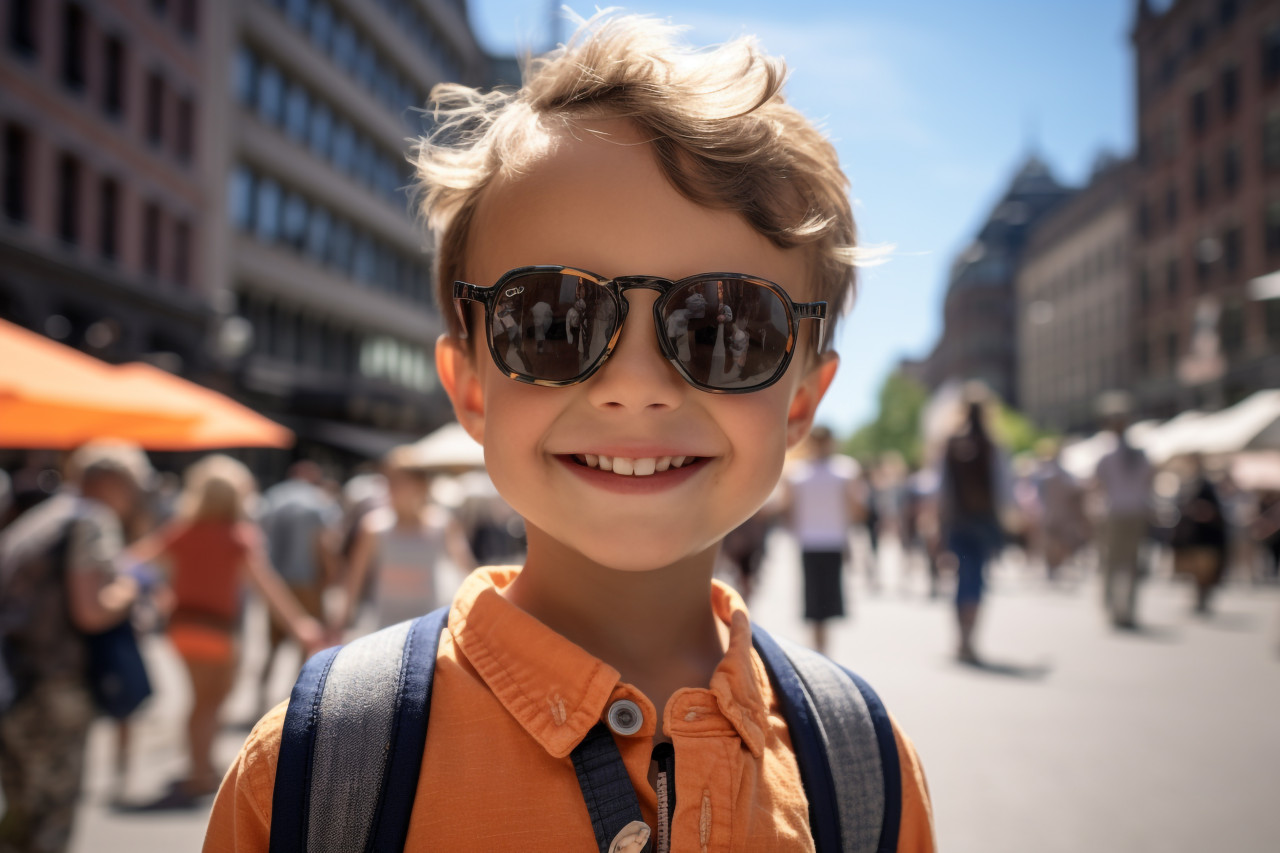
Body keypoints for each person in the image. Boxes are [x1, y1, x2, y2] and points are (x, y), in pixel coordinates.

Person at [205, 14, 934, 850]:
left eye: (726, 328)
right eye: (551, 320)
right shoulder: (319, 764)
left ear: (802, 402)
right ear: (470, 386)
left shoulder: (862, 771)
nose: (634, 386)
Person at [125, 455, 327, 806]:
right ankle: (199, 771)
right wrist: (299, 625)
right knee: (212, 701)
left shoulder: (181, 531)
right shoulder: (238, 536)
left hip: (182, 626)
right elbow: (268, 587)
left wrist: (155, 596)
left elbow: (135, 563)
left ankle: (198, 766)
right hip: (217, 630)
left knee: (200, 700)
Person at [0, 441, 151, 852]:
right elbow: (91, 611)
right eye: (133, 486)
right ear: (113, 482)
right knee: (51, 820)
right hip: (54, 688)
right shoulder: (92, 519)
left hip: (16, 682)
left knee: (20, 817)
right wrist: (130, 586)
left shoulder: (42, 515)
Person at [335, 446, 475, 633]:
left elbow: (466, 569)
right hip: (385, 628)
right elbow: (354, 580)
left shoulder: (441, 523)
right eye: (388, 481)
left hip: (428, 626)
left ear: (420, 484)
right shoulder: (374, 526)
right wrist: (339, 623)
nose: (391, 488)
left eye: (399, 481)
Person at [255, 460, 339, 712]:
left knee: (272, 645)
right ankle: (296, 698)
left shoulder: (271, 498)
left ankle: (260, 695)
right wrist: (331, 576)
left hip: (275, 583)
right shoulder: (317, 502)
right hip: (307, 582)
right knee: (309, 641)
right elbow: (323, 543)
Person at [937, 390, 1011, 664]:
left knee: (960, 579)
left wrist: (938, 521)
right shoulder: (993, 444)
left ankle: (961, 639)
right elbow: (1004, 485)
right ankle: (970, 639)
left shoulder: (950, 443)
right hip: (983, 521)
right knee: (976, 579)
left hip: (956, 521)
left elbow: (941, 488)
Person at [781, 426, 864, 654]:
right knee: (824, 602)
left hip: (814, 541)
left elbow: (788, 510)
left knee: (816, 601)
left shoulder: (799, 472)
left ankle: (819, 649)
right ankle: (821, 650)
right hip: (827, 541)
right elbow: (856, 508)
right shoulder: (844, 470)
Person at [1093, 417, 1154, 629]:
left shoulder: (1107, 455)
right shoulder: (1140, 456)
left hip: (1117, 513)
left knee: (1114, 563)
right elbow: (1149, 483)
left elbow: (1098, 485)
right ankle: (1126, 609)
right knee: (1130, 563)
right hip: (1135, 512)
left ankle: (1113, 606)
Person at [1170, 455, 1228, 615]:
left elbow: (1215, 512)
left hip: (1208, 535)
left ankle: (1203, 599)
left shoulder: (1208, 487)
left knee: (1206, 572)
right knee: (1197, 571)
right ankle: (1199, 599)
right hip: (1195, 535)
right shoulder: (1187, 486)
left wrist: (1203, 511)